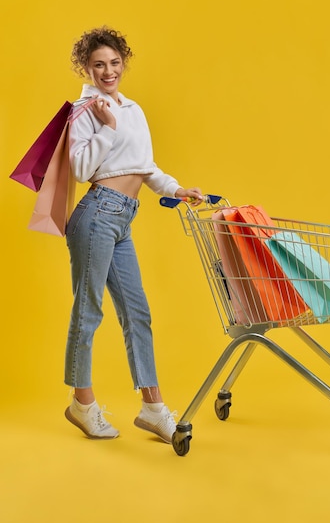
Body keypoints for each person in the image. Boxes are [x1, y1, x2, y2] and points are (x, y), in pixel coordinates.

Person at [64, 26, 203, 443]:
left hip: (124, 217)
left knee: (137, 313)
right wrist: (105, 127)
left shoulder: (134, 109)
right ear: (86, 68)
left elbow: (146, 167)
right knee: (89, 311)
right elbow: (80, 169)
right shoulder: (84, 109)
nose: (108, 71)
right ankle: (82, 404)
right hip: (96, 215)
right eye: (98, 65)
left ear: (123, 62)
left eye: (114, 63)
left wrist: (177, 188)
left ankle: (152, 407)